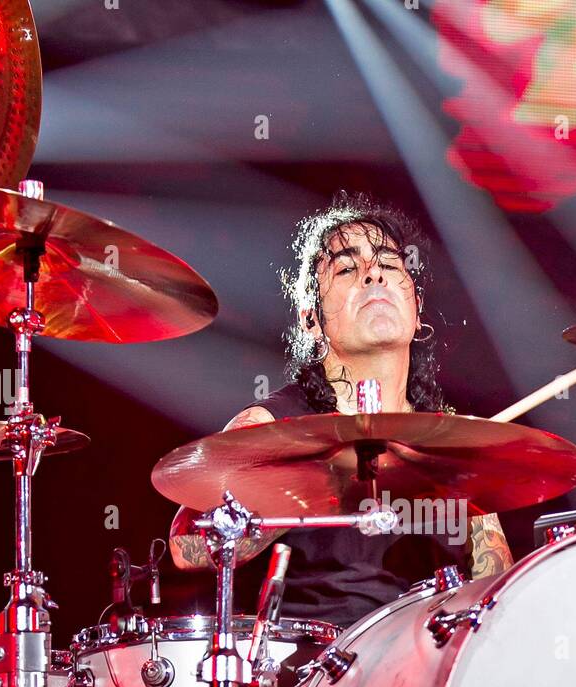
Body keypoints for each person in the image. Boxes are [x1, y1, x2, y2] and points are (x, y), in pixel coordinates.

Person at [169, 192, 513, 628]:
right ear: (311, 319)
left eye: (389, 265)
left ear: (416, 308)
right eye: (348, 268)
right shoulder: (271, 427)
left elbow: (495, 587)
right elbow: (189, 548)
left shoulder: (450, 438)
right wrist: (320, 474)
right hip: (315, 669)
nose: (374, 276)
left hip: (426, 655)